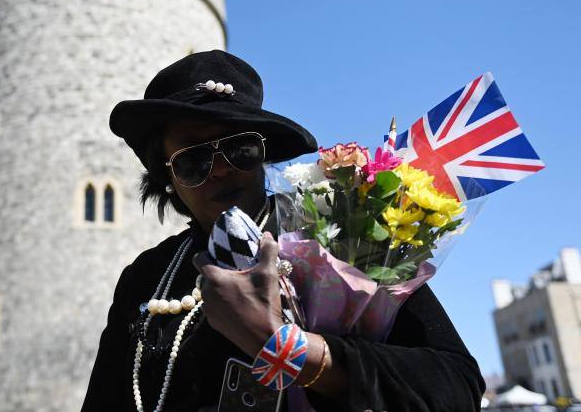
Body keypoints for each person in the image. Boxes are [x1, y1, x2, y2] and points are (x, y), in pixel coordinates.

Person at [81, 50, 484, 412]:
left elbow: (456, 385)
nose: (220, 168)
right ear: (168, 177)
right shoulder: (147, 276)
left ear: (263, 155)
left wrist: (287, 348)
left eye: (239, 148)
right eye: (193, 160)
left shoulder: (342, 235)